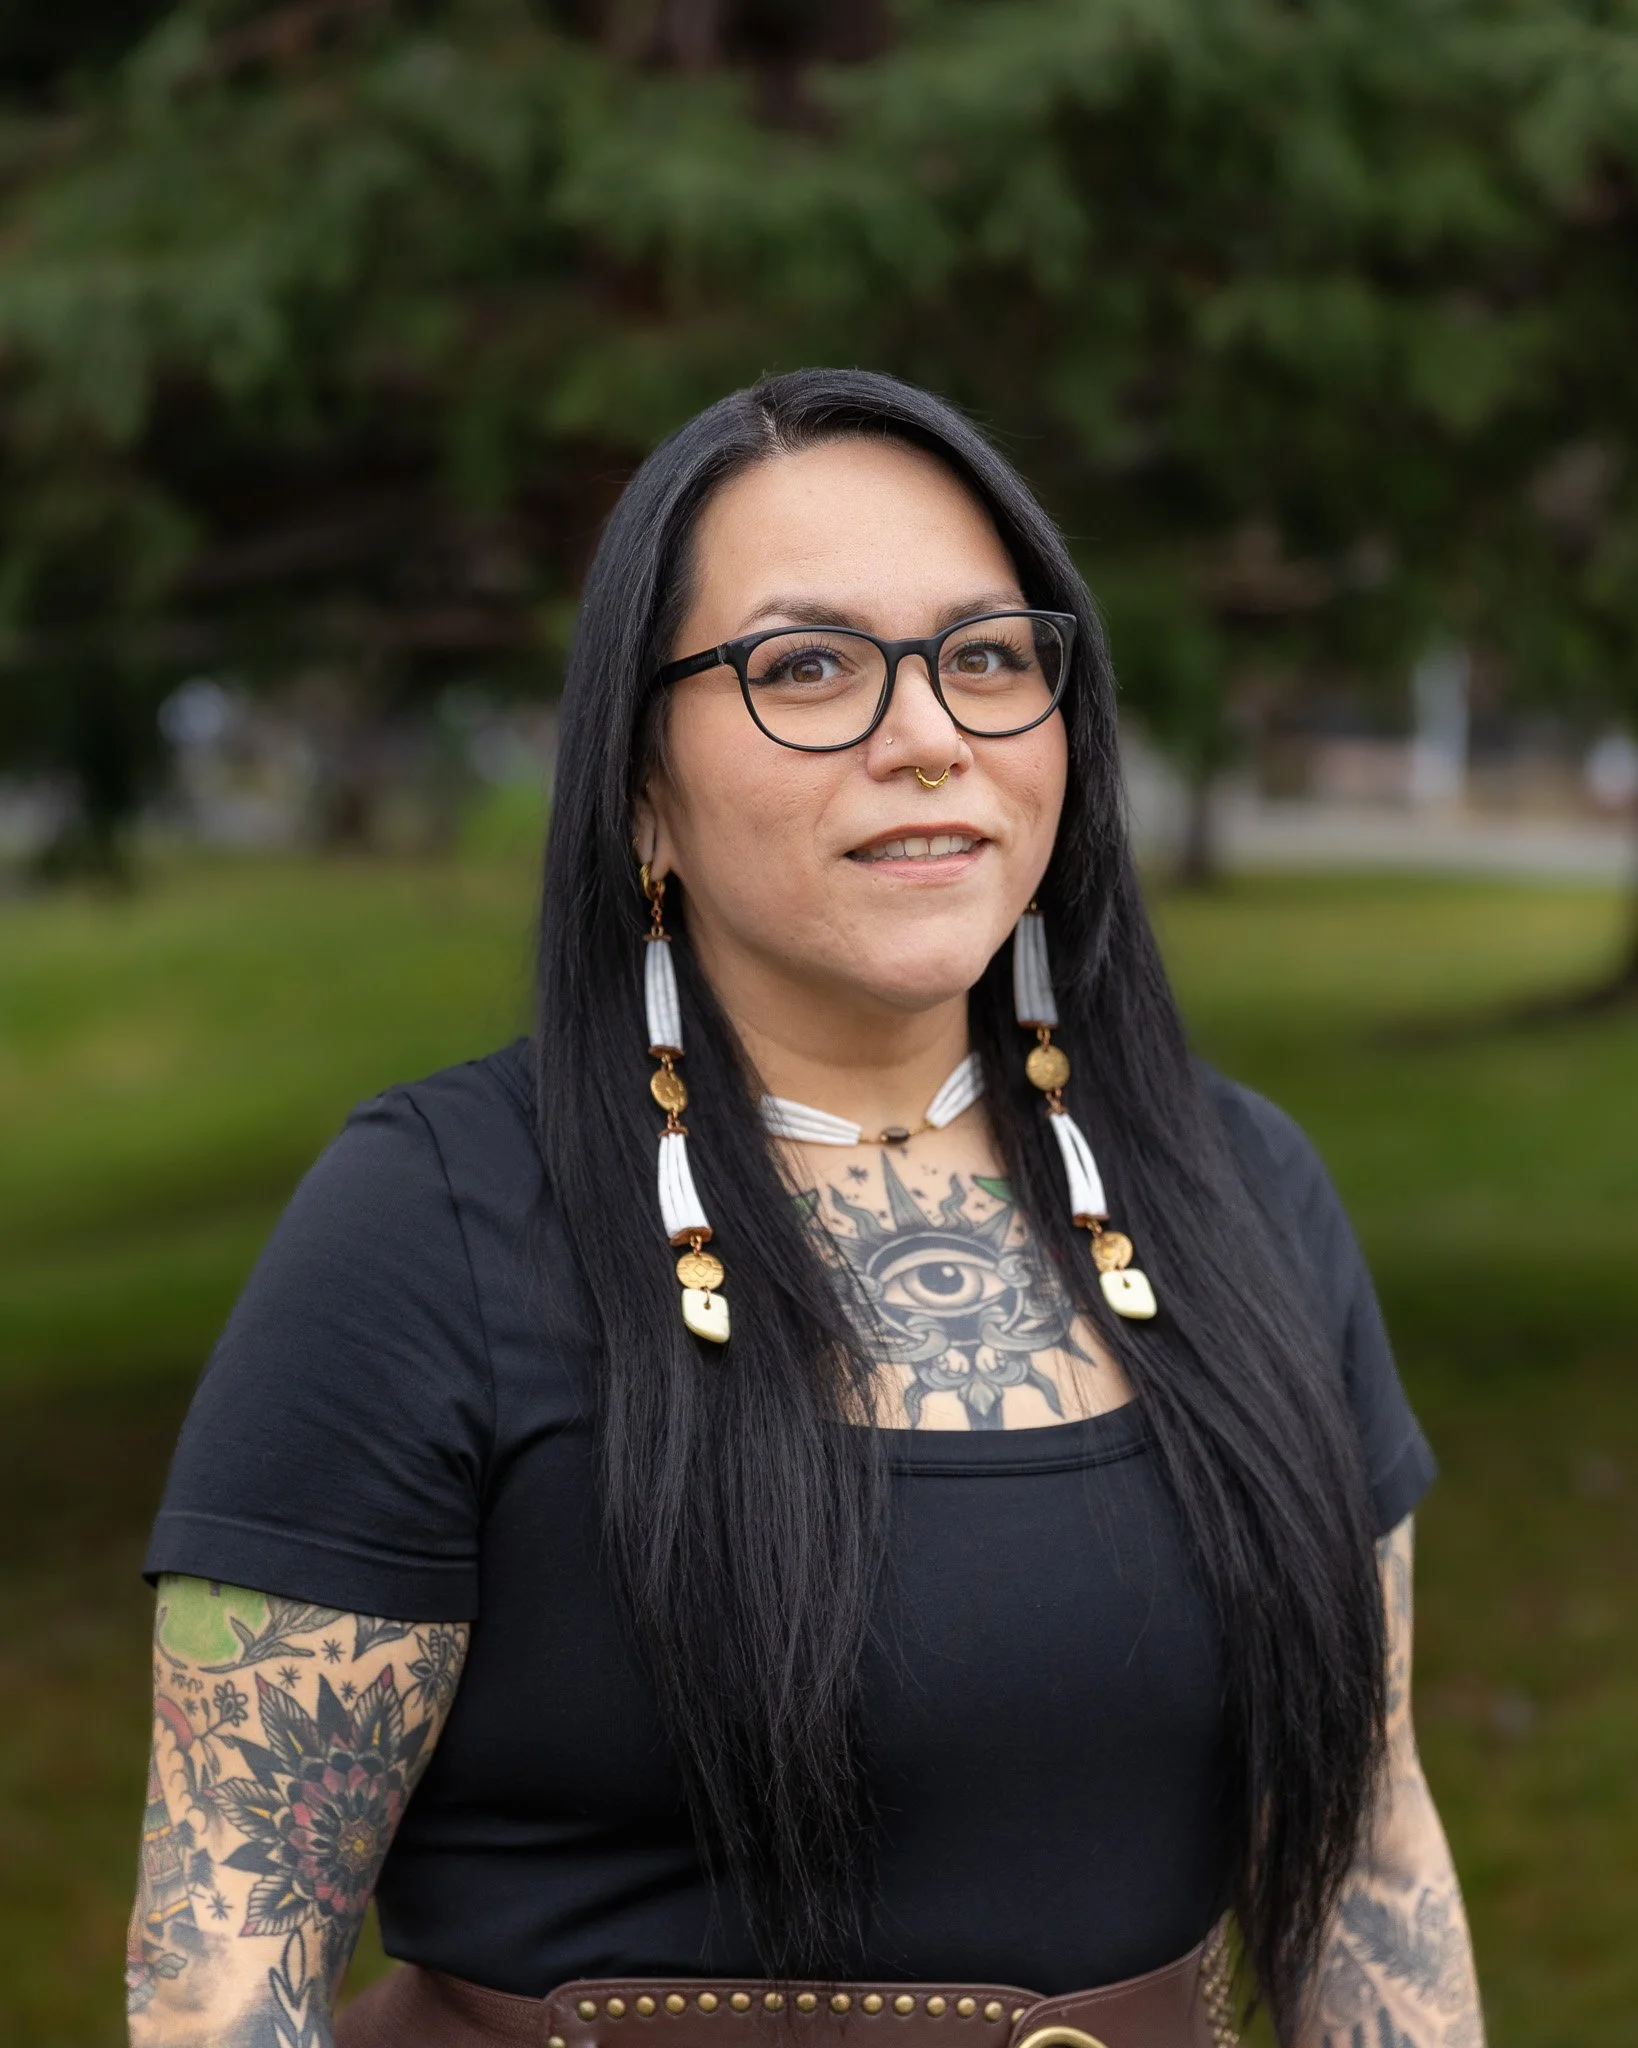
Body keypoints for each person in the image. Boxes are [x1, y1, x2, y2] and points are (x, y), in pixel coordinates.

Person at [127, 369, 1483, 2048]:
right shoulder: (427, 1230)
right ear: (638, 783)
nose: (927, 736)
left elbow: (1367, 1843)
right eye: (807, 668)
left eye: (987, 657)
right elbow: (226, 1943)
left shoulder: (1239, 1190)